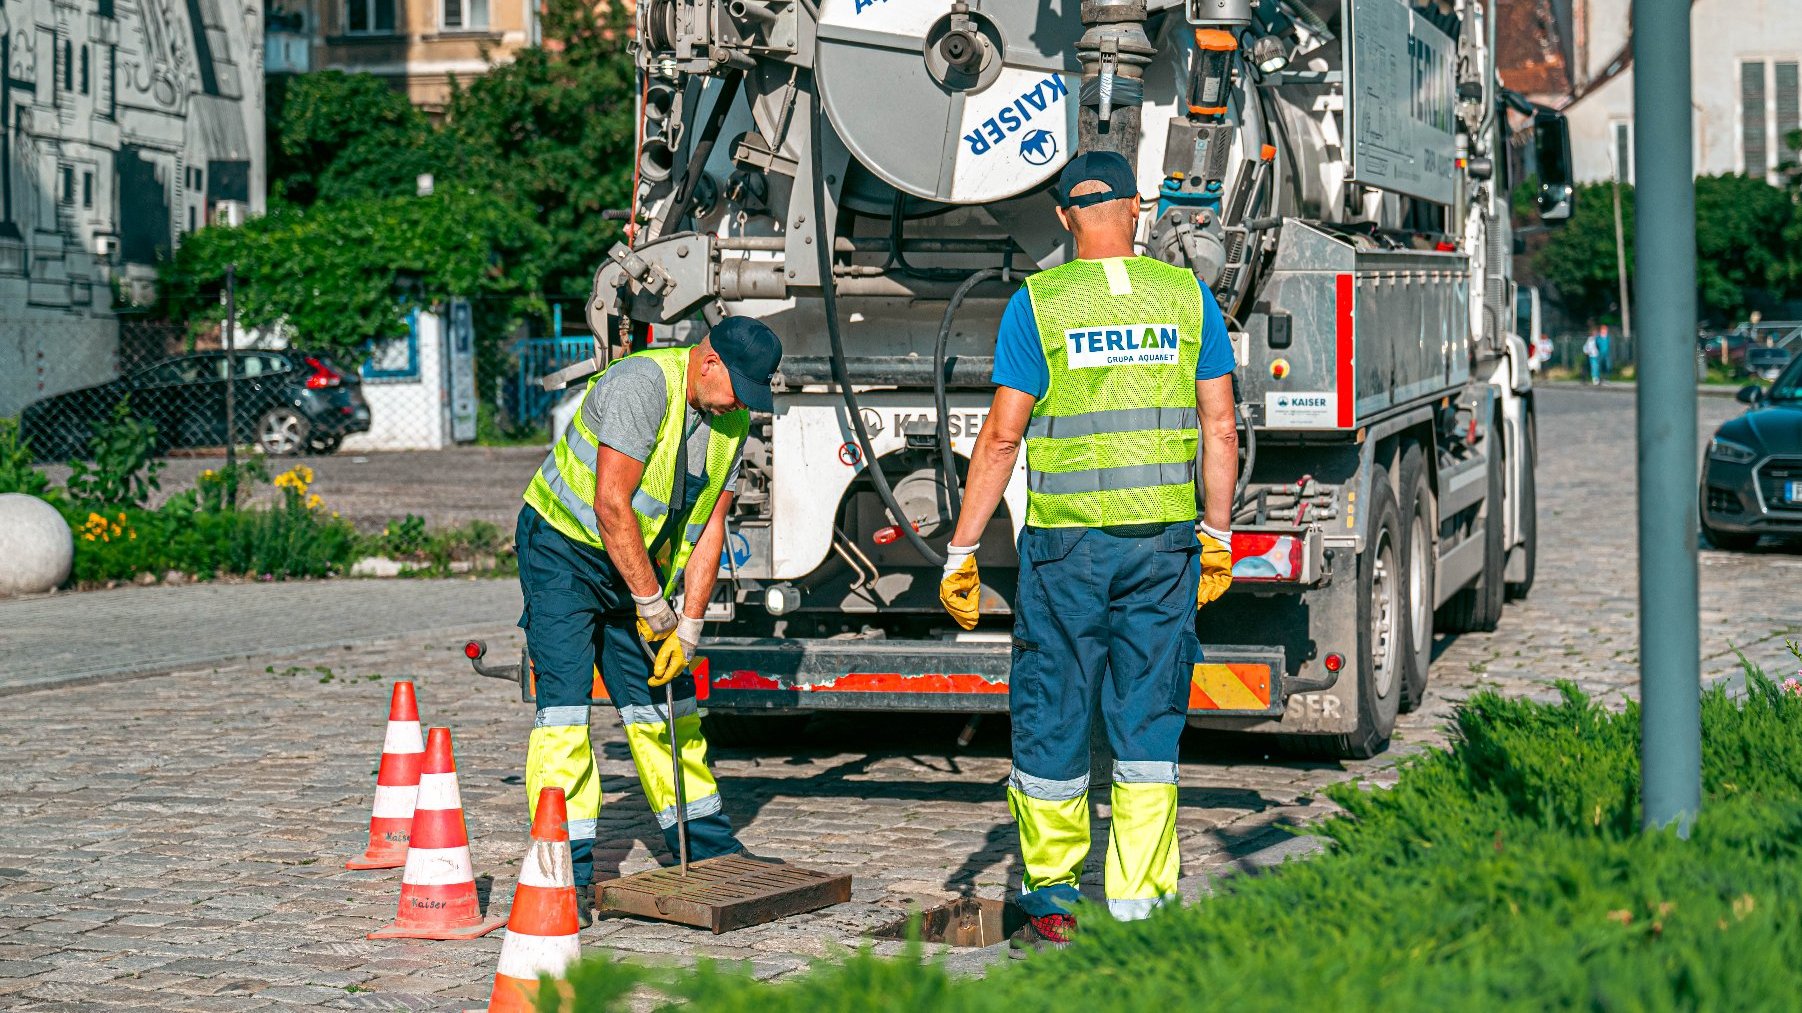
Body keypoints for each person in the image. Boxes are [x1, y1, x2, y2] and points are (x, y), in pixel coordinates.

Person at [937, 150, 1238, 952]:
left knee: (1055, 709)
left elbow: (1002, 438)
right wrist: (1217, 533)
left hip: (1067, 551)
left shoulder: (1039, 304)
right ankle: (1141, 904)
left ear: (1066, 217)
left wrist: (961, 550)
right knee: (1146, 723)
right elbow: (1221, 426)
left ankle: (1054, 899)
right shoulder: (1188, 298)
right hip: (1164, 545)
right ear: (1137, 208)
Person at [514, 316, 782, 918]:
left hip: (631, 563)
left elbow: (712, 525)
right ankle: (564, 873)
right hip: (563, 548)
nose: (742, 405)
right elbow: (612, 505)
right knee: (563, 711)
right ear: (708, 361)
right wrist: (649, 602)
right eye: (738, 388)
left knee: (666, 704)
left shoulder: (728, 420)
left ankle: (710, 851)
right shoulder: (642, 384)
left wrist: (688, 625)